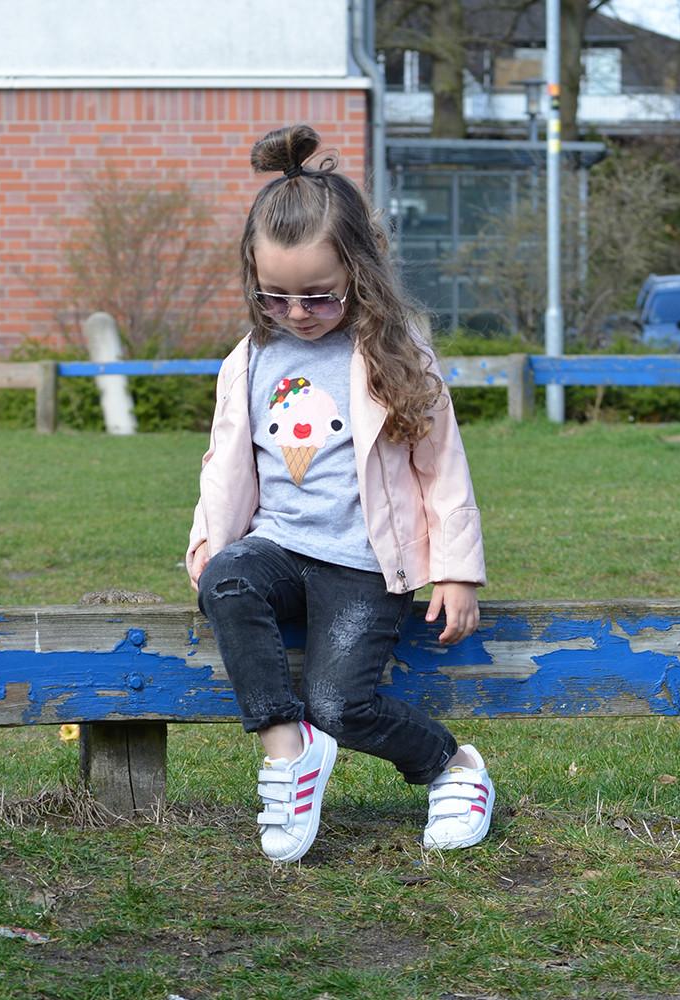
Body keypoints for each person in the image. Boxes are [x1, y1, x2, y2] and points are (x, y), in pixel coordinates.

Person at [186, 124, 491, 863]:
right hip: (279, 549)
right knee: (226, 579)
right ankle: (288, 754)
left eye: (318, 296)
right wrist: (208, 547)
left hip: (362, 564)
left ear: (360, 270)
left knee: (342, 706)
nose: (296, 312)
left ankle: (454, 769)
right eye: (276, 294)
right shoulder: (251, 357)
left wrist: (455, 569)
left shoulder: (392, 352)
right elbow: (227, 461)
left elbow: (441, 465)